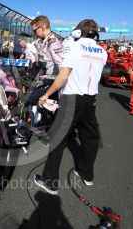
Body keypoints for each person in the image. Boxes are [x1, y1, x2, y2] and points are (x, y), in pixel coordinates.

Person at [33, 19, 107, 195]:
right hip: (91, 99)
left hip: (72, 98)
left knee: (58, 139)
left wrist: (46, 94)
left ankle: (50, 182)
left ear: (78, 32)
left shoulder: (74, 46)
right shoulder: (103, 51)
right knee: (90, 137)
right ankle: (86, 174)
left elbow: (63, 75)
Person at [12, 15, 63, 145]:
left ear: (43, 26)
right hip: (43, 79)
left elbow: (64, 68)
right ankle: (49, 134)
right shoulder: (44, 41)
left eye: (35, 30)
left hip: (50, 82)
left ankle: (22, 135)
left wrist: (51, 82)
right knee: (42, 108)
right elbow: (42, 62)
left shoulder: (53, 42)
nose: (33, 33)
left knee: (23, 101)